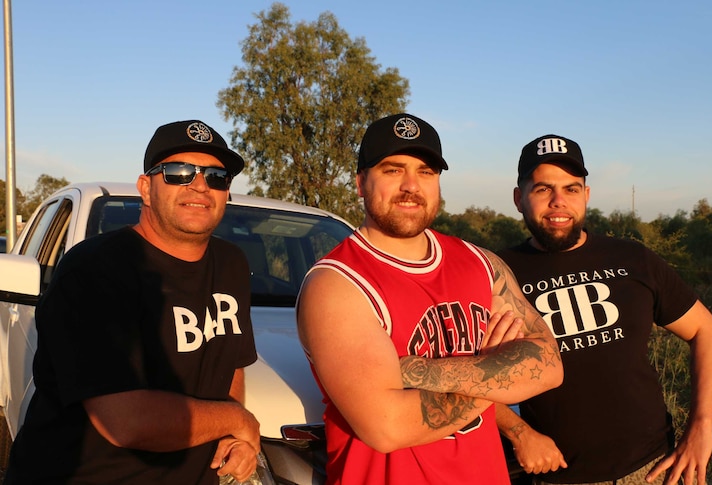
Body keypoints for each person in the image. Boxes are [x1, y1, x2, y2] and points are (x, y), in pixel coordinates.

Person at [296, 113, 564, 485]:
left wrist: (415, 371)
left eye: (426, 171)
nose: (411, 185)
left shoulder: (481, 263)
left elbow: (550, 364)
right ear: (360, 183)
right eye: (393, 170)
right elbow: (386, 426)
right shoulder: (336, 284)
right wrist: (496, 370)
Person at [5, 120, 261, 484]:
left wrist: (234, 435)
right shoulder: (96, 269)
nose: (200, 185)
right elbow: (124, 420)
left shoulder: (232, 263)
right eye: (178, 172)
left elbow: (231, 360)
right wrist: (239, 421)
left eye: (217, 176)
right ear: (145, 188)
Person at [495, 134, 712, 485]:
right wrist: (519, 433)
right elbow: (465, 376)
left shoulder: (632, 257)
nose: (559, 202)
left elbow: (705, 331)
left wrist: (700, 428)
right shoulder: (496, 273)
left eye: (571, 189)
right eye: (543, 190)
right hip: (553, 475)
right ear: (518, 198)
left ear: (586, 196)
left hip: (652, 468)